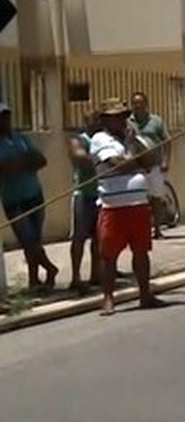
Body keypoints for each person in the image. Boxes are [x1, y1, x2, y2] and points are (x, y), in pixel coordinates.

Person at [91, 96, 166, 316]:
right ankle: (108, 298)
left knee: (141, 251)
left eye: (122, 117)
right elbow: (118, 165)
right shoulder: (100, 139)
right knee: (109, 255)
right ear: (105, 120)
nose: (120, 121)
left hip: (138, 203)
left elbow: (152, 161)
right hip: (113, 205)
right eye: (114, 118)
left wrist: (135, 144)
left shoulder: (132, 138)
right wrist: (137, 162)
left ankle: (145, 294)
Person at [0, 102, 58, 292]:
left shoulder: (20, 138)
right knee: (28, 239)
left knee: (34, 240)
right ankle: (50, 268)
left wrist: (18, 164)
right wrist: (23, 162)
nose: (5, 120)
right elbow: (5, 170)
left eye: (6, 116)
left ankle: (34, 280)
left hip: (34, 194)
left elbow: (41, 160)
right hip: (12, 199)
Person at [128, 92, 171, 239]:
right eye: (135, 103)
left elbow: (167, 140)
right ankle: (140, 230)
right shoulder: (128, 122)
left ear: (146, 104)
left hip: (154, 165)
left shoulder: (156, 121)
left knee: (156, 198)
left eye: (140, 103)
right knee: (138, 199)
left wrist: (166, 160)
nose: (137, 106)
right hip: (137, 167)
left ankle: (157, 229)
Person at [67, 110, 101, 293]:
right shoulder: (79, 139)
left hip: (100, 193)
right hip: (83, 194)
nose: (96, 123)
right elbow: (80, 158)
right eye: (92, 120)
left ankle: (96, 274)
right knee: (79, 238)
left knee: (99, 238)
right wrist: (104, 160)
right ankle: (76, 277)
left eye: (98, 120)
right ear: (86, 122)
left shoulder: (102, 139)